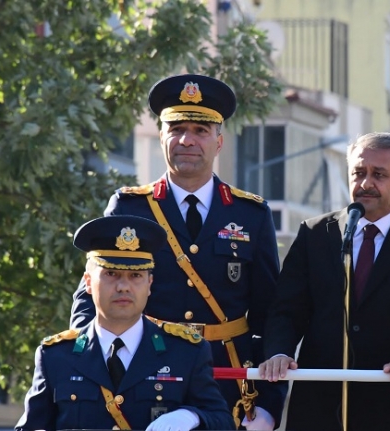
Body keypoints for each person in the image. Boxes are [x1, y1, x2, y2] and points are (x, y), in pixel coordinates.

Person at [69, 74, 286, 430]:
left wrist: (268, 407)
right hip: (145, 377)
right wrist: (88, 365)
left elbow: (272, 314)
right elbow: (90, 297)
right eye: (177, 128)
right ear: (161, 137)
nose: (187, 140)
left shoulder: (250, 213)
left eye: (200, 130)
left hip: (227, 383)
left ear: (219, 141)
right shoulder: (129, 206)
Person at [259, 132, 390, 431]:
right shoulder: (316, 234)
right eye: (358, 173)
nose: (365, 183)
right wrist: (280, 352)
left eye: (379, 174)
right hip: (321, 403)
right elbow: (287, 308)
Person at [16, 215, 235, 431]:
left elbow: (222, 420)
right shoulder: (56, 356)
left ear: (149, 284)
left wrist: (192, 416)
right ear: (89, 283)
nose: (123, 286)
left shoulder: (185, 352)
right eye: (111, 273)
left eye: (135, 276)